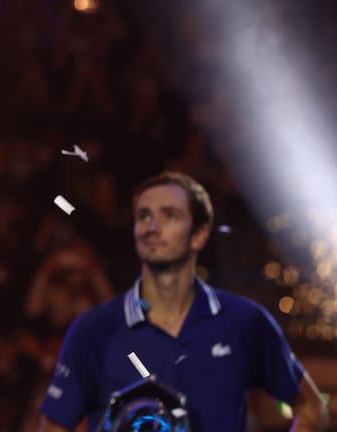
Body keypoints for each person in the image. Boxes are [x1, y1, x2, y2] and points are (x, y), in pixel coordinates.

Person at [38, 171, 327, 432]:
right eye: (144, 216)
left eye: (169, 216)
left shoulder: (245, 322)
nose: (152, 227)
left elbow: (311, 408)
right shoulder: (94, 330)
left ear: (199, 235)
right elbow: (53, 427)